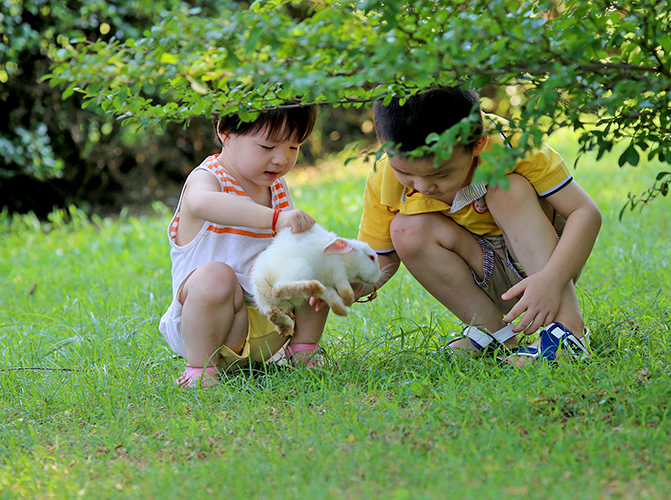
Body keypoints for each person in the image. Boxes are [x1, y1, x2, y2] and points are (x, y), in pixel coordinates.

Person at [356, 87, 602, 364]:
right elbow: (381, 257)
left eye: (442, 173)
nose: (424, 186)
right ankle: (495, 333)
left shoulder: (510, 145)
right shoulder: (383, 178)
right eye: (405, 173)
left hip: (546, 263)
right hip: (477, 265)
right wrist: (354, 283)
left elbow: (585, 212)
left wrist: (552, 278)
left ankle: (568, 331)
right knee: (406, 229)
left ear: (478, 144)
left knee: (507, 188)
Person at [158, 105, 330, 388]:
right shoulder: (207, 178)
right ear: (225, 132)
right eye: (267, 146)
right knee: (215, 277)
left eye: (293, 147)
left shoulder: (276, 186)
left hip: (272, 323)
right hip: (213, 329)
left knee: (314, 257)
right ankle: (201, 369)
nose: (281, 159)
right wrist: (275, 219)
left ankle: (302, 350)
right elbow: (202, 203)